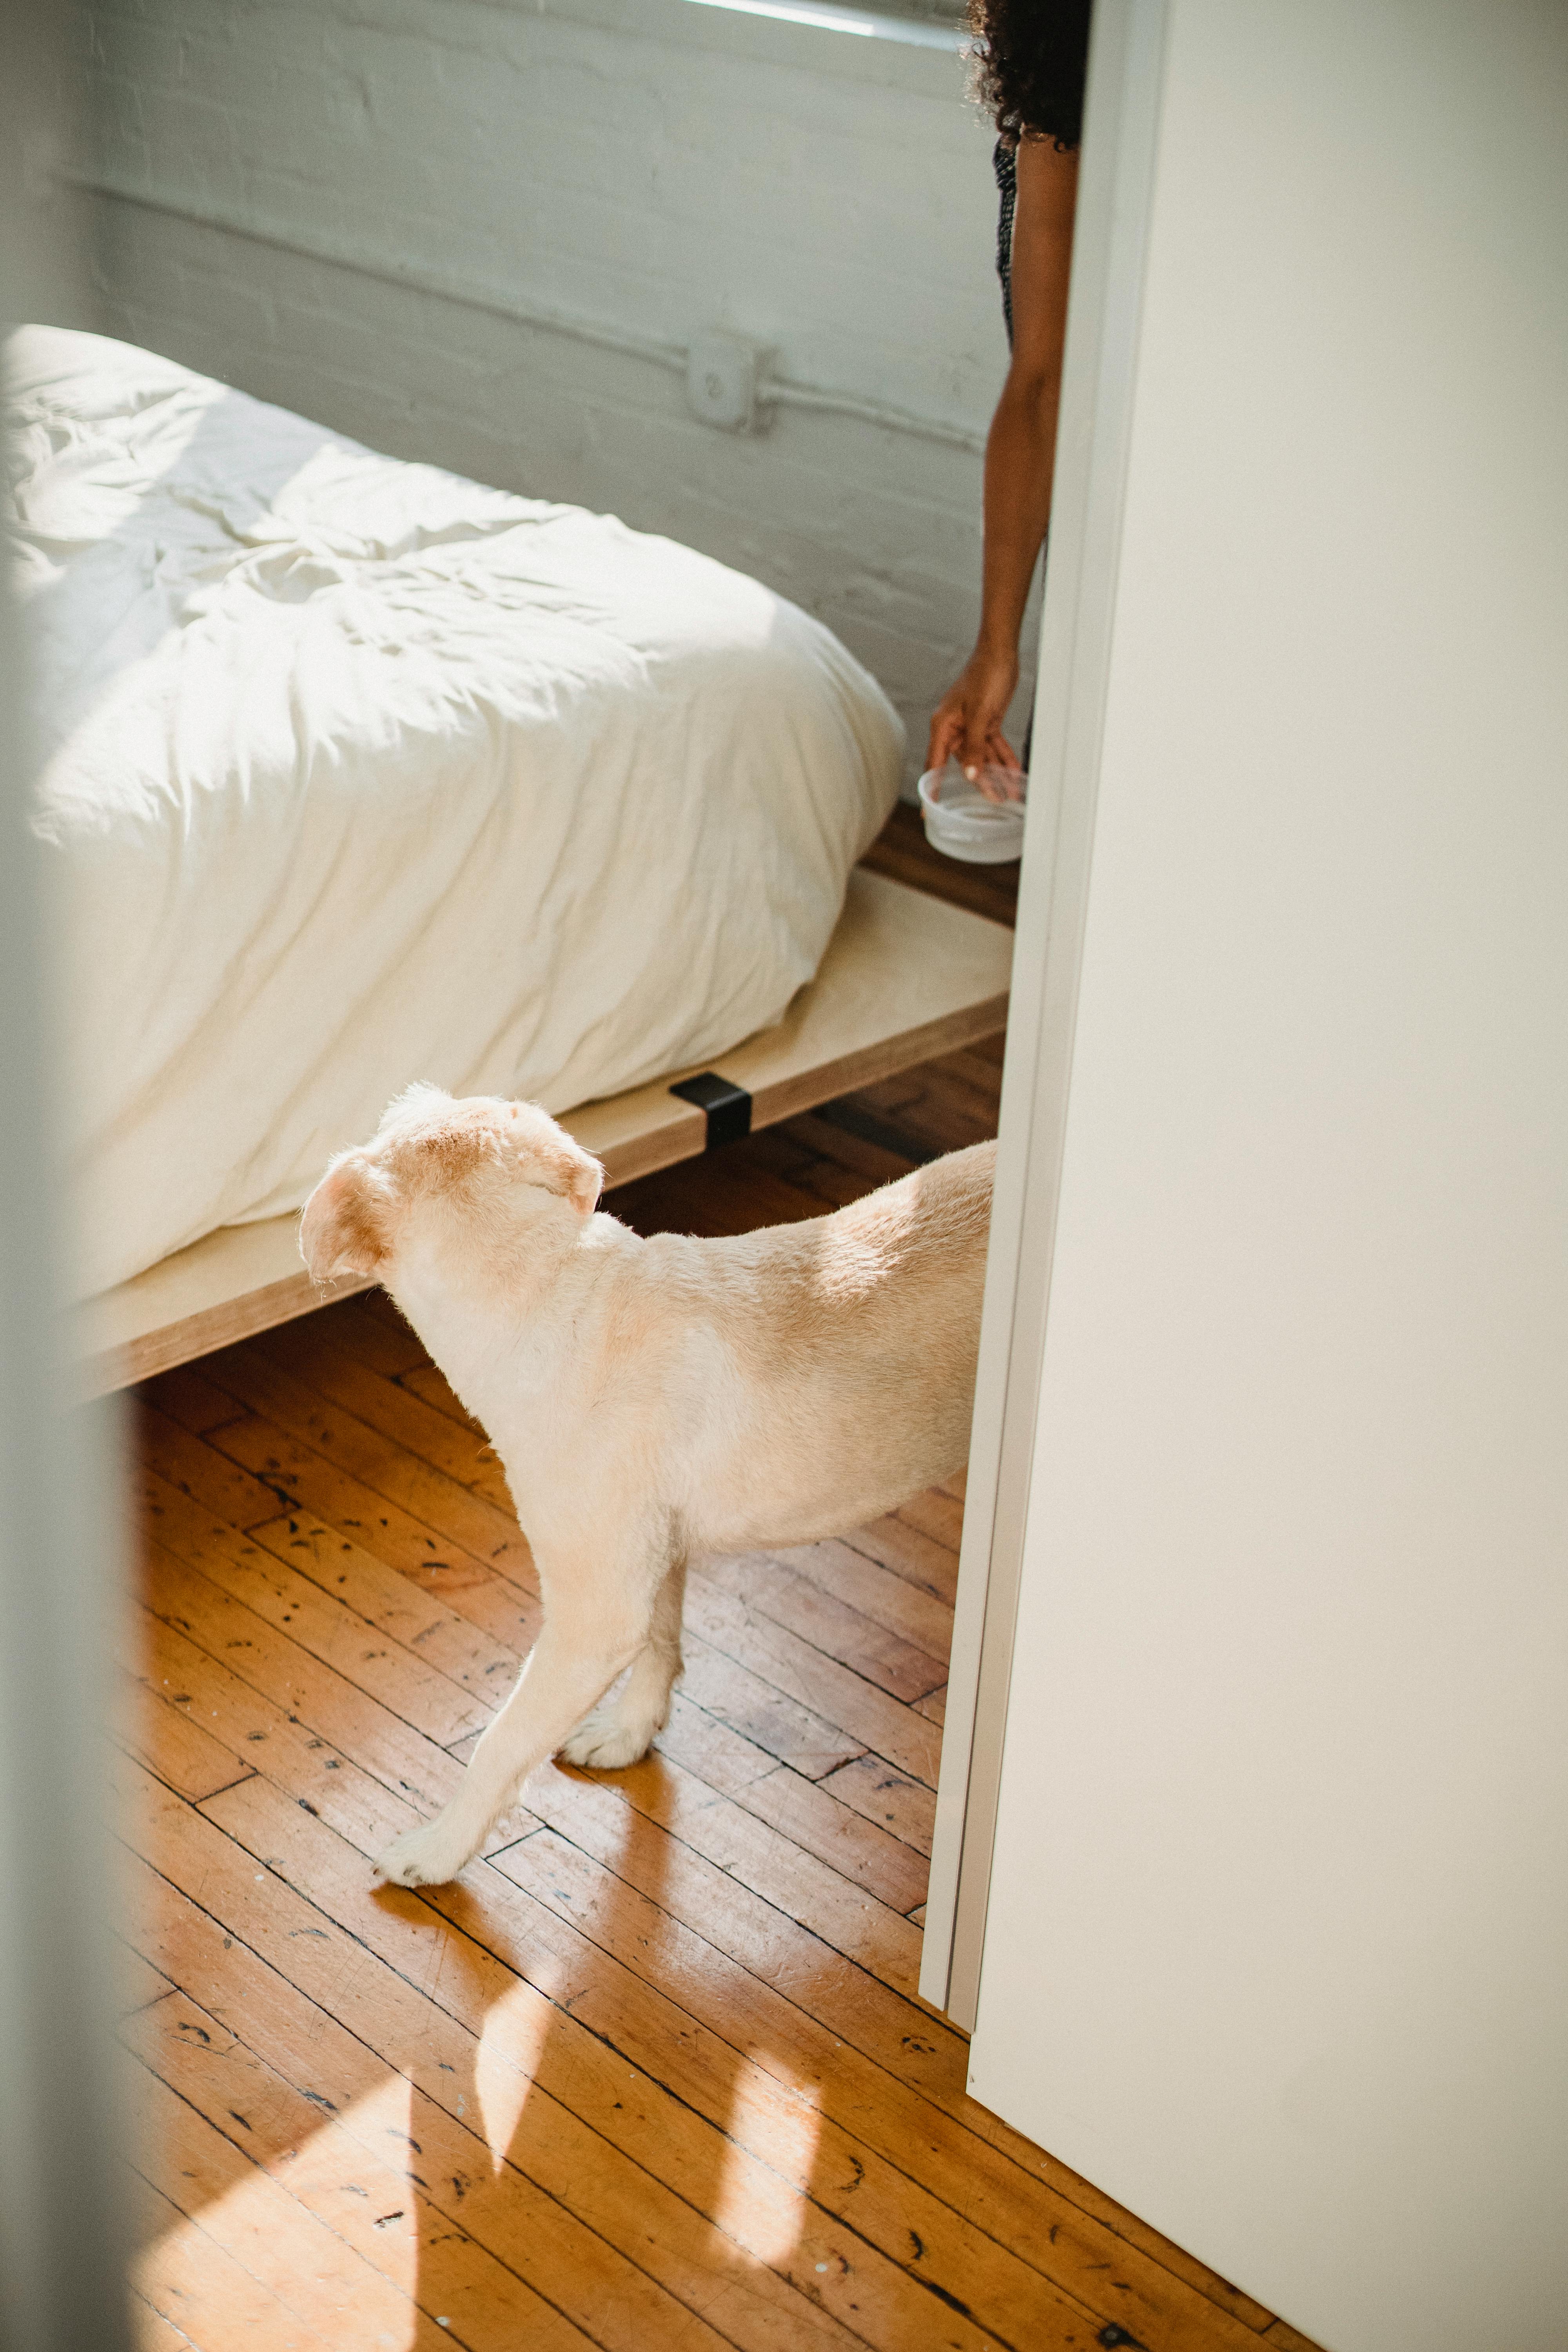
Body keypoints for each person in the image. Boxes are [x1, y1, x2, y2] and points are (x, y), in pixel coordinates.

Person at [926, 1, 1093, 784]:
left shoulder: (1079, 64)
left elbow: (1042, 383)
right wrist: (997, 649)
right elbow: (1044, 384)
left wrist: (996, 649)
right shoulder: (1072, 87)